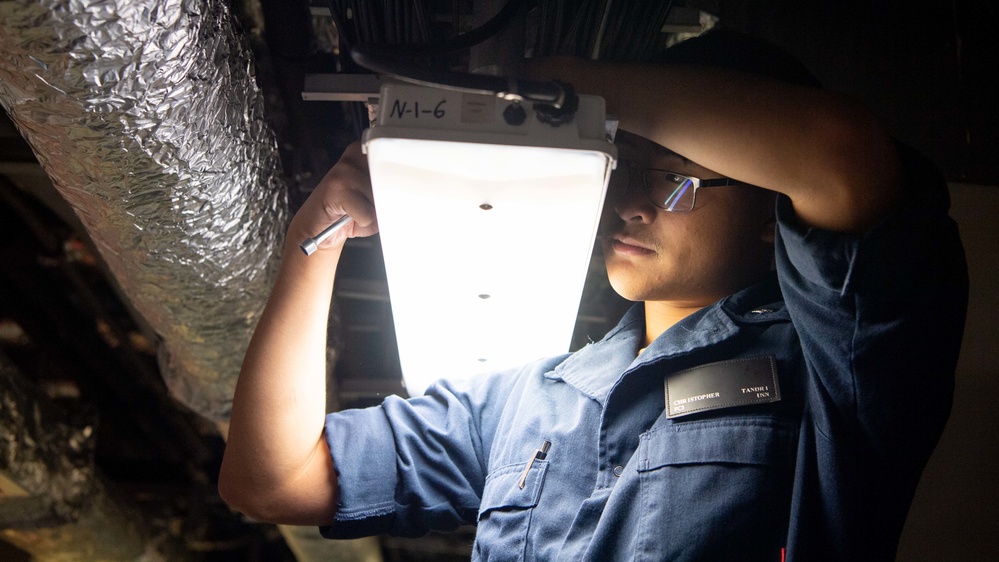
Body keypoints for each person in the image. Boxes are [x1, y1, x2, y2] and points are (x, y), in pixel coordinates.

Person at [218, 28, 968, 561]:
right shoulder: (528, 398)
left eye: (670, 177)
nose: (630, 203)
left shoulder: (834, 363)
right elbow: (271, 478)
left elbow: (839, 155)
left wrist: (562, 84)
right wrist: (313, 239)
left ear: (773, 210)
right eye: (625, 168)